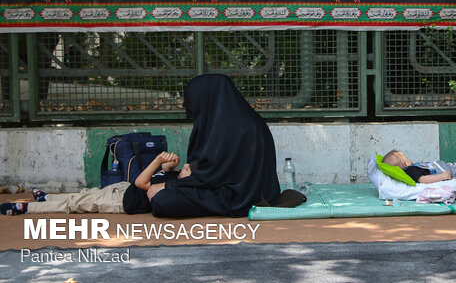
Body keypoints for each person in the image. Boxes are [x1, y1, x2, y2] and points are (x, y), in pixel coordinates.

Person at [147, 74, 281, 218]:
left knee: (164, 199)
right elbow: (217, 169)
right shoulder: (238, 119)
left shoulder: (232, 126)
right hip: (249, 191)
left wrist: (174, 185)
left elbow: (215, 176)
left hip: (238, 196)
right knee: (161, 186)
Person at [1, 151, 191, 216]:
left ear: (189, 177)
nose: (184, 166)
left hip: (121, 202)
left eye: (187, 168)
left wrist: (157, 160)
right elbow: (165, 171)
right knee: (85, 193)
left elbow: (141, 182)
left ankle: (25, 208)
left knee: (74, 204)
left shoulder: (174, 189)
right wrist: (169, 163)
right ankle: (47, 197)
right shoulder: (175, 177)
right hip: (124, 190)